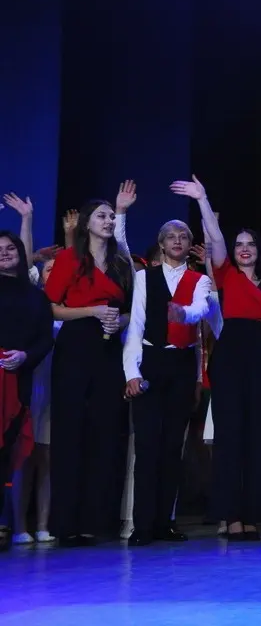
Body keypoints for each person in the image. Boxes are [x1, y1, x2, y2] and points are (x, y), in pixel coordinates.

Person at [172, 176, 261, 541]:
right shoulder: (226, 276)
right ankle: (232, 517)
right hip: (230, 361)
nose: (244, 249)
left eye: (250, 244)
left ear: (258, 250)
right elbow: (215, 238)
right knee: (230, 438)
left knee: (258, 439)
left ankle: (253, 515)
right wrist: (203, 200)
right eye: (239, 245)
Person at [46, 189, 135, 546]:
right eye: (102, 215)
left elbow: (131, 311)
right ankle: (66, 523)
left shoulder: (120, 263)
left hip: (108, 348)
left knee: (105, 432)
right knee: (71, 433)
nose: (109, 221)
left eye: (112, 216)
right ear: (86, 223)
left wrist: (118, 321)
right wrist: (92, 311)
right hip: (76, 345)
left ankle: (96, 521)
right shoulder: (69, 259)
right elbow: (53, 307)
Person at [122, 220, 213, 545]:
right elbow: (136, 325)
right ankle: (142, 525)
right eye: (171, 237)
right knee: (147, 446)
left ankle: (165, 522)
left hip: (181, 366)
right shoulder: (145, 277)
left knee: (173, 447)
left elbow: (200, 310)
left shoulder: (199, 280)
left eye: (183, 236)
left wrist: (183, 314)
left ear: (189, 244)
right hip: (151, 361)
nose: (177, 241)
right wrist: (132, 372)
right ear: (161, 244)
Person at [0, 231, 55, 551]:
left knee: (12, 450)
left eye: (10, 248)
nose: (4, 253)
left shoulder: (36, 297)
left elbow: (45, 338)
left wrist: (25, 356)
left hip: (19, 379)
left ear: (21, 253)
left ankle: (8, 524)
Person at [11, 255, 59, 545]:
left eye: (59, 269)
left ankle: (43, 524)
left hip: (56, 390)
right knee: (24, 457)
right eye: (49, 269)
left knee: (47, 460)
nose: (54, 273)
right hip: (31, 385)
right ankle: (19, 527)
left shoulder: (69, 306)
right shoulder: (32, 300)